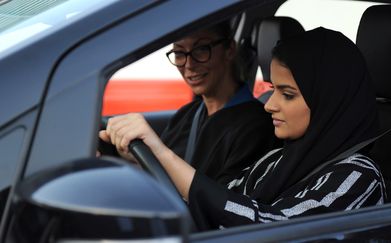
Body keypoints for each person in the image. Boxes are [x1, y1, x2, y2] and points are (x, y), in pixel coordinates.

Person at [100, 27, 386, 231]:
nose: (268, 105)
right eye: (272, 89)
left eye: (287, 94)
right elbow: (214, 200)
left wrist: (162, 155)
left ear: (328, 101)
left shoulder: (357, 177)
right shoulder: (275, 161)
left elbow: (275, 229)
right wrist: (138, 165)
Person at [100, 20, 280, 185]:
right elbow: (163, 174)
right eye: (179, 53)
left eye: (201, 49)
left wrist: (159, 152)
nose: (189, 64)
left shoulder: (257, 127)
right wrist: (131, 159)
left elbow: (223, 205)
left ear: (229, 50)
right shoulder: (187, 114)